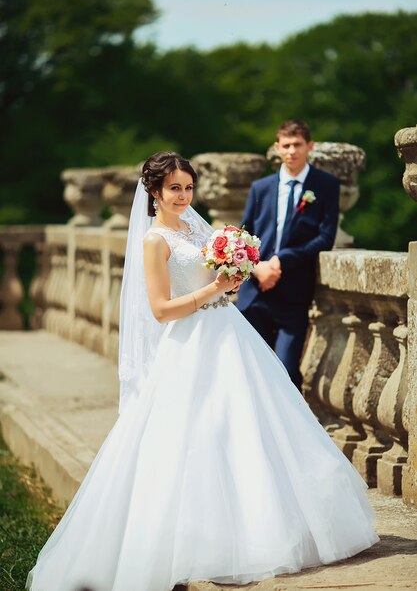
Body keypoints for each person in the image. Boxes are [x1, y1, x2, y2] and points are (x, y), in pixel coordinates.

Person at [27, 151, 378, 591]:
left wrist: (239, 268)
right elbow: (159, 310)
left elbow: (223, 272)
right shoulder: (155, 241)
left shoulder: (197, 225)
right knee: (199, 434)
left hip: (229, 331)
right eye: (174, 188)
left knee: (250, 425)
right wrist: (214, 287)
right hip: (190, 342)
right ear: (154, 191)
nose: (182, 195)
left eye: (188, 187)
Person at [237, 120, 340, 391]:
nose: (292, 151)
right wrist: (257, 267)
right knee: (252, 371)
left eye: (297, 145)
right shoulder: (261, 187)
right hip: (255, 293)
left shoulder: (326, 185)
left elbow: (325, 238)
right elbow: (243, 234)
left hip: (294, 294)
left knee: (286, 371)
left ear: (310, 146)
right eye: (286, 145)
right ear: (277, 147)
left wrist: (283, 260)